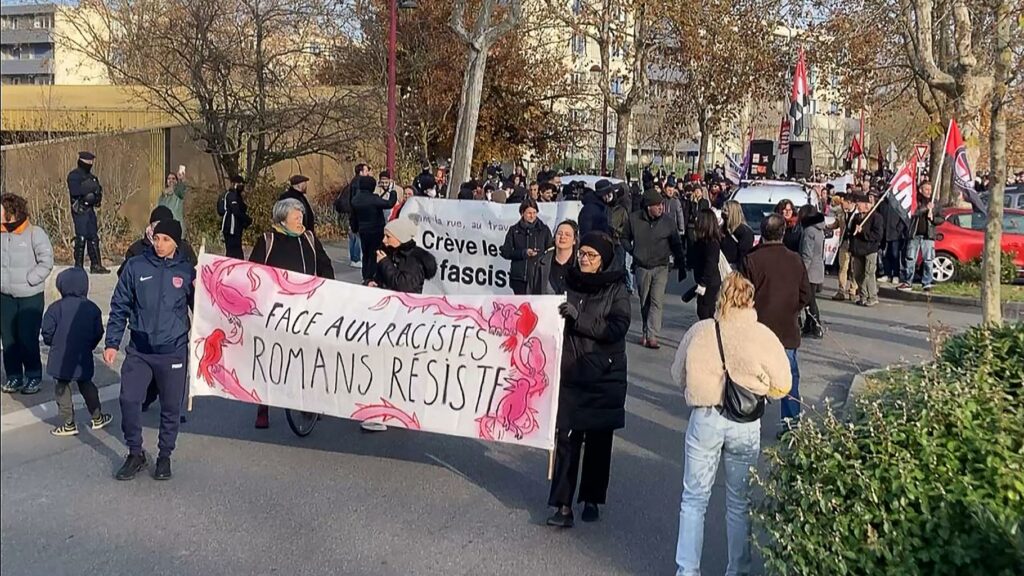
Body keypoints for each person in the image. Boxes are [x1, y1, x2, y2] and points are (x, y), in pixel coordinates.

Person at [670, 272, 792, 576]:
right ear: (751, 300)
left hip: (705, 417)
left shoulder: (701, 331)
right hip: (745, 423)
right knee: (739, 502)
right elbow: (783, 384)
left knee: (694, 500)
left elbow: (677, 374)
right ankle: (737, 568)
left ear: (720, 297)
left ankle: (687, 570)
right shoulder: (763, 335)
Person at [547, 231, 631, 528]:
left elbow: (617, 327)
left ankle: (592, 498)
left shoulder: (616, 288)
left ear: (603, 259)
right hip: (570, 371)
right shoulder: (568, 280)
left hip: (602, 374)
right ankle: (562, 505)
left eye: (591, 255)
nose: (584, 259)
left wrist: (578, 319)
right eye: (582, 253)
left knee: (597, 442)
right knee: (567, 440)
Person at [104, 218, 194, 481]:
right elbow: (120, 304)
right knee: (129, 399)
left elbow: (201, 310)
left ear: (176, 242)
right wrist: (112, 342)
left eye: (166, 240)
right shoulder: (136, 266)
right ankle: (135, 453)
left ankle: (164, 455)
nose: (159, 244)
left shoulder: (187, 272)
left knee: (170, 406)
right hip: (140, 349)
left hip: (173, 349)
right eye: (156, 238)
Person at [248, 199, 335, 429]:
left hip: (306, 309)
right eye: (296, 218)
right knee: (272, 358)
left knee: (306, 355)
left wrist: (325, 285)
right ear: (282, 219)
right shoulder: (268, 241)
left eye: (302, 217)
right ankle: (263, 406)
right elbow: (253, 273)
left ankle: (307, 403)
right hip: (276, 311)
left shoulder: (309, 239)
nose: (301, 222)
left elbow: (325, 264)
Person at [742, 213, 811, 432]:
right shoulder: (795, 259)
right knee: (788, 377)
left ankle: (749, 422)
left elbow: (741, 297)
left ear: (762, 234)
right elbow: (805, 295)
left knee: (753, 375)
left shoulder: (751, 259)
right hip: (786, 328)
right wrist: (792, 309)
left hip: (757, 328)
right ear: (783, 233)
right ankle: (791, 425)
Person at [41, 267, 112, 436]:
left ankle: (68, 422)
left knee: (62, 387)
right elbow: (97, 332)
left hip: (60, 355)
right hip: (82, 355)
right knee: (86, 384)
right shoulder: (92, 308)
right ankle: (97, 416)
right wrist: (90, 345)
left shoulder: (55, 308)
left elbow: (47, 331)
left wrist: (52, 343)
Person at [1, 194, 55, 395]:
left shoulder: (35, 233)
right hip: (4, 295)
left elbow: (46, 261)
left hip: (29, 295)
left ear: (12, 212)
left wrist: (31, 279)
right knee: (8, 338)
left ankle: (33, 375)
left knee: (26, 337)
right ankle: (14, 376)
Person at [624, 190, 686, 349]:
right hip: (641, 266)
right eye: (657, 205)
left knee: (656, 300)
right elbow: (624, 237)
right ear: (647, 206)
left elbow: (676, 244)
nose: (661, 208)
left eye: (661, 204)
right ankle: (645, 331)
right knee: (644, 301)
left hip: (661, 266)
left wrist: (681, 264)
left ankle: (652, 335)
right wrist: (632, 250)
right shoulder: (633, 219)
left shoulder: (668, 222)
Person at [120, 206, 198, 277]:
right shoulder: (136, 250)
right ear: (150, 226)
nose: (160, 229)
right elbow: (124, 280)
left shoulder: (184, 249)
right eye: (156, 226)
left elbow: (194, 271)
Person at [500, 198, 553, 295]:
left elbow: (551, 250)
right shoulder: (514, 230)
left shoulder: (544, 230)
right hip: (519, 278)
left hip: (538, 277)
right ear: (522, 213)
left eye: (534, 212)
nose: (532, 216)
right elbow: (505, 252)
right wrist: (523, 253)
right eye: (529, 213)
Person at [67, 151, 109, 273]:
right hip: (79, 208)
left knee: (93, 236)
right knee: (81, 236)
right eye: (88, 161)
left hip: (90, 209)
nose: (90, 163)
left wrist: (95, 195)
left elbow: (98, 192)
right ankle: (78, 266)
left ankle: (96, 265)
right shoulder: (74, 176)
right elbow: (76, 191)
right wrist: (89, 189)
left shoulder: (92, 177)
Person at [898, 182, 944, 292]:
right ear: (921, 190)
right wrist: (925, 208)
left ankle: (927, 282)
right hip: (915, 234)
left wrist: (932, 218)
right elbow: (913, 213)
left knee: (928, 260)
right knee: (910, 259)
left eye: (930, 189)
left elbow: (941, 219)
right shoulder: (915, 201)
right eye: (926, 189)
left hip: (928, 235)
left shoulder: (935, 203)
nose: (929, 192)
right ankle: (908, 282)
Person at [352, 174, 397, 284]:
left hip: (363, 230)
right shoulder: (373, 199)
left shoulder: (356, 199)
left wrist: (355, 227)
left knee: (365, 254)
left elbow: (353, 216)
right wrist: (393, 191)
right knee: (374, 254)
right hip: (375, 230)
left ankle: (365, 275)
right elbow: (389, 203)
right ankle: (371, 276)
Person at [849, 194, 884, 307]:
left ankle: (872, 296)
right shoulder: (857, 217)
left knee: (869, 273)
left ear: (866, 204)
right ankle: (863, 295)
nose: (857, 206)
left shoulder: (876, 217)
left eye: (859, 204)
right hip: (858, 250)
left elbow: (877, 235)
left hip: (870, 250)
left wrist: (863, 232)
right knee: (858, 274)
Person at [689, 209, 724, 321]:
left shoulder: (711, 243)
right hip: (703, 281)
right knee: (702, 311)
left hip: (709, 284)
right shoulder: (701, 241)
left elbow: (711, 264)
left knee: (706, 312)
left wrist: (703, 283)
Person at [528, 220, 578, 295]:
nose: (562, 237)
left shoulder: (580, 265)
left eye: (567, 235)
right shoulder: (540, 263)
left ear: (574, 240)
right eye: (559, 234)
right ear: (554, 237)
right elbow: (530, 293)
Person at [798, 205, 826, 338]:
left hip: (810, 269)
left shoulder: (809, 231)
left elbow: (807, 253)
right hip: (817, 267)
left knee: (810, 300)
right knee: (810, 299)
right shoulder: (818, 229)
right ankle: (809, 326)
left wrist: (801, 271)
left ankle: (816, 326)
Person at [877, 192, 909, 284]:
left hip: (895, 234)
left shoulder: (898, 205)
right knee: (885, 254)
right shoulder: (882, 204)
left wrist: (898, 230)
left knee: (895, 255)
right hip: (884, 234)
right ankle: (887, 274)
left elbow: (903, 218)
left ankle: (896, 275)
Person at [831, 193, 857, 300]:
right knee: (843, 267)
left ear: (849, 203)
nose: (842, 204)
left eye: (844, 202)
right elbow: (836, 224)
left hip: (855, 244)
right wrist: (826, 227)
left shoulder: (858, 213)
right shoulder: (841, 213)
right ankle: (841, 290)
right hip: (844, 243)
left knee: (854, 269)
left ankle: (853, 290)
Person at [220, 175, 251, 259]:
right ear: (234, 184)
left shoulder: (237, 196)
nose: (242, 186)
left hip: (236, 229)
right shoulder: (231, 195)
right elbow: (236, 211)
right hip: (231, 229)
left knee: (236, 253)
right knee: (233, 253)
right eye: (240, 183)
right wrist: (247, 219)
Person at [719, 200, 754, 270]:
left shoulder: (745, 232)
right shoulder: (721, 229)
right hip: (721, 267)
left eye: (725, 210)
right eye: (722, 209)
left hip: (735, 269)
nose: (722, 212)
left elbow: (744, 255)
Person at [158, 167, 188, 234]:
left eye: (173, 178)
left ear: (176, 181)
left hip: (176, 228)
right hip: (164, 229)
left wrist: (182, 179)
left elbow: (183, 187)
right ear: (166, 181)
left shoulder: (177, 193)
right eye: (169, 178)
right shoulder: (162, 197)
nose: (171, 180)